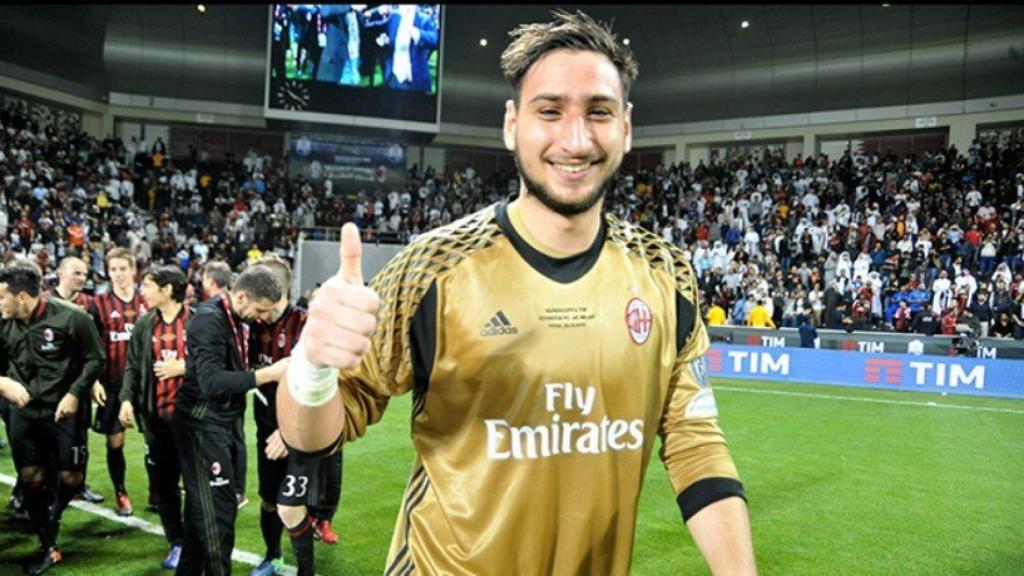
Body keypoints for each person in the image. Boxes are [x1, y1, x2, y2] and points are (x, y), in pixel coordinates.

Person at [278, 10, 755, 575]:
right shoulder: (434, 268)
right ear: (512, 124)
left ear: (626, 126)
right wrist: (311, 365)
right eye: (549, 111)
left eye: (598, 112)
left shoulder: (664, 274)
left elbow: (695, 444)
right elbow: (311, 433)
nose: (575, 140)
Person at [173, 265, 290, 576]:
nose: (263, 318)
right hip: (201, 422)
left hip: (225, 422)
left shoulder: (237, 317)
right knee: (218, 516)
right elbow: (211, 382)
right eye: (260, 310)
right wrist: (268, 373)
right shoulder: (209, 320)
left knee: (203, 513)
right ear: (240, 297)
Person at [0, 259, 105, 575]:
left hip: (64, 413)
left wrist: (75, 392)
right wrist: (3, 383)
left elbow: (95, 358)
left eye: (2, 296)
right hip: (24, 414)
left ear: (22, 297)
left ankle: (53, 514)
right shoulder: (2, 321)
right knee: (31, 477)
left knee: (71, 479)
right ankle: (48, 545)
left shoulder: (72, 318)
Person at [248, 256, 341, 576]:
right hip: (266, 429)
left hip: (301, 433)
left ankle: (306, 570)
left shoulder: (307, 326)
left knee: (291, 505)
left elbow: (327, 385)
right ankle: (272, 556)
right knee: (270, 501)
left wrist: (289, 433)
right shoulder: (252, 326)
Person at [118, 265, 191, 570]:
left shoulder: (200, 322)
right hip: (157, 420)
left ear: (168, 289)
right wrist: (125, 400)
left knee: (199, 486)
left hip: (193, 421)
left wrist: (183, 368)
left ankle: (199, 539)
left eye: (147, 285)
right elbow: (134, 366)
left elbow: (219, 364)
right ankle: (177, 541)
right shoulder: (146, 324)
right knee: (164, 485)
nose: (141, 291)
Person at [88, 247, 147, 516]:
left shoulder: (147, 301)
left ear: (133, 270)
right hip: (112, 384)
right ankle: (121, 492)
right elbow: (90, 346)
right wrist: (94, 380)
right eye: (113, 270)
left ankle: (158, 490)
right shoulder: (98, 304)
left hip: (147, 384)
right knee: (115, 442)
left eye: (123, 269)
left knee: (157, 440)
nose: (119, 275)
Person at [47, 256, 106, 505]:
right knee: (42, 443)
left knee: (79, 437)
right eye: (76, 273)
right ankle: (26, 491)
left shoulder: (89, 306)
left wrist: (92, 381)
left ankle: (78, 485)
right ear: (60, 273)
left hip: (78, 385)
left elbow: (94, 348)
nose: (81, 278)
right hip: (49, 387)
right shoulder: (44, 304)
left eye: (84, 274)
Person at [201, 259, 249, 507]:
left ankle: (234, 488)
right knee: (234, 438)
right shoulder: (223, 310)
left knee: (230, 439)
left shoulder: (215, 311)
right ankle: (234, 487)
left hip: (228, 386)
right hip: (235, 384)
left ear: (210, 280)